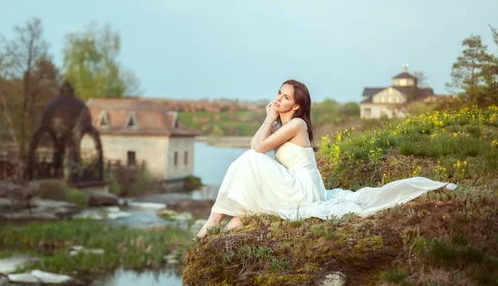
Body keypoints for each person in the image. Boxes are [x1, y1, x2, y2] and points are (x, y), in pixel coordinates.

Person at [195, 79, 455, 240]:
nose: (278, 99)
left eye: (285, 97)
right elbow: (256, 144)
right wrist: (270, 118)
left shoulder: (296, 124)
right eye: (279, 93)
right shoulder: (281, 126)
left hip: (304, 190)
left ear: (296, 106)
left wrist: (268, 118)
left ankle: (213, 220)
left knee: (251, 160)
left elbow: (258, 149)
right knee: (249, 161)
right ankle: (224, 221)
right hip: (295, 184)